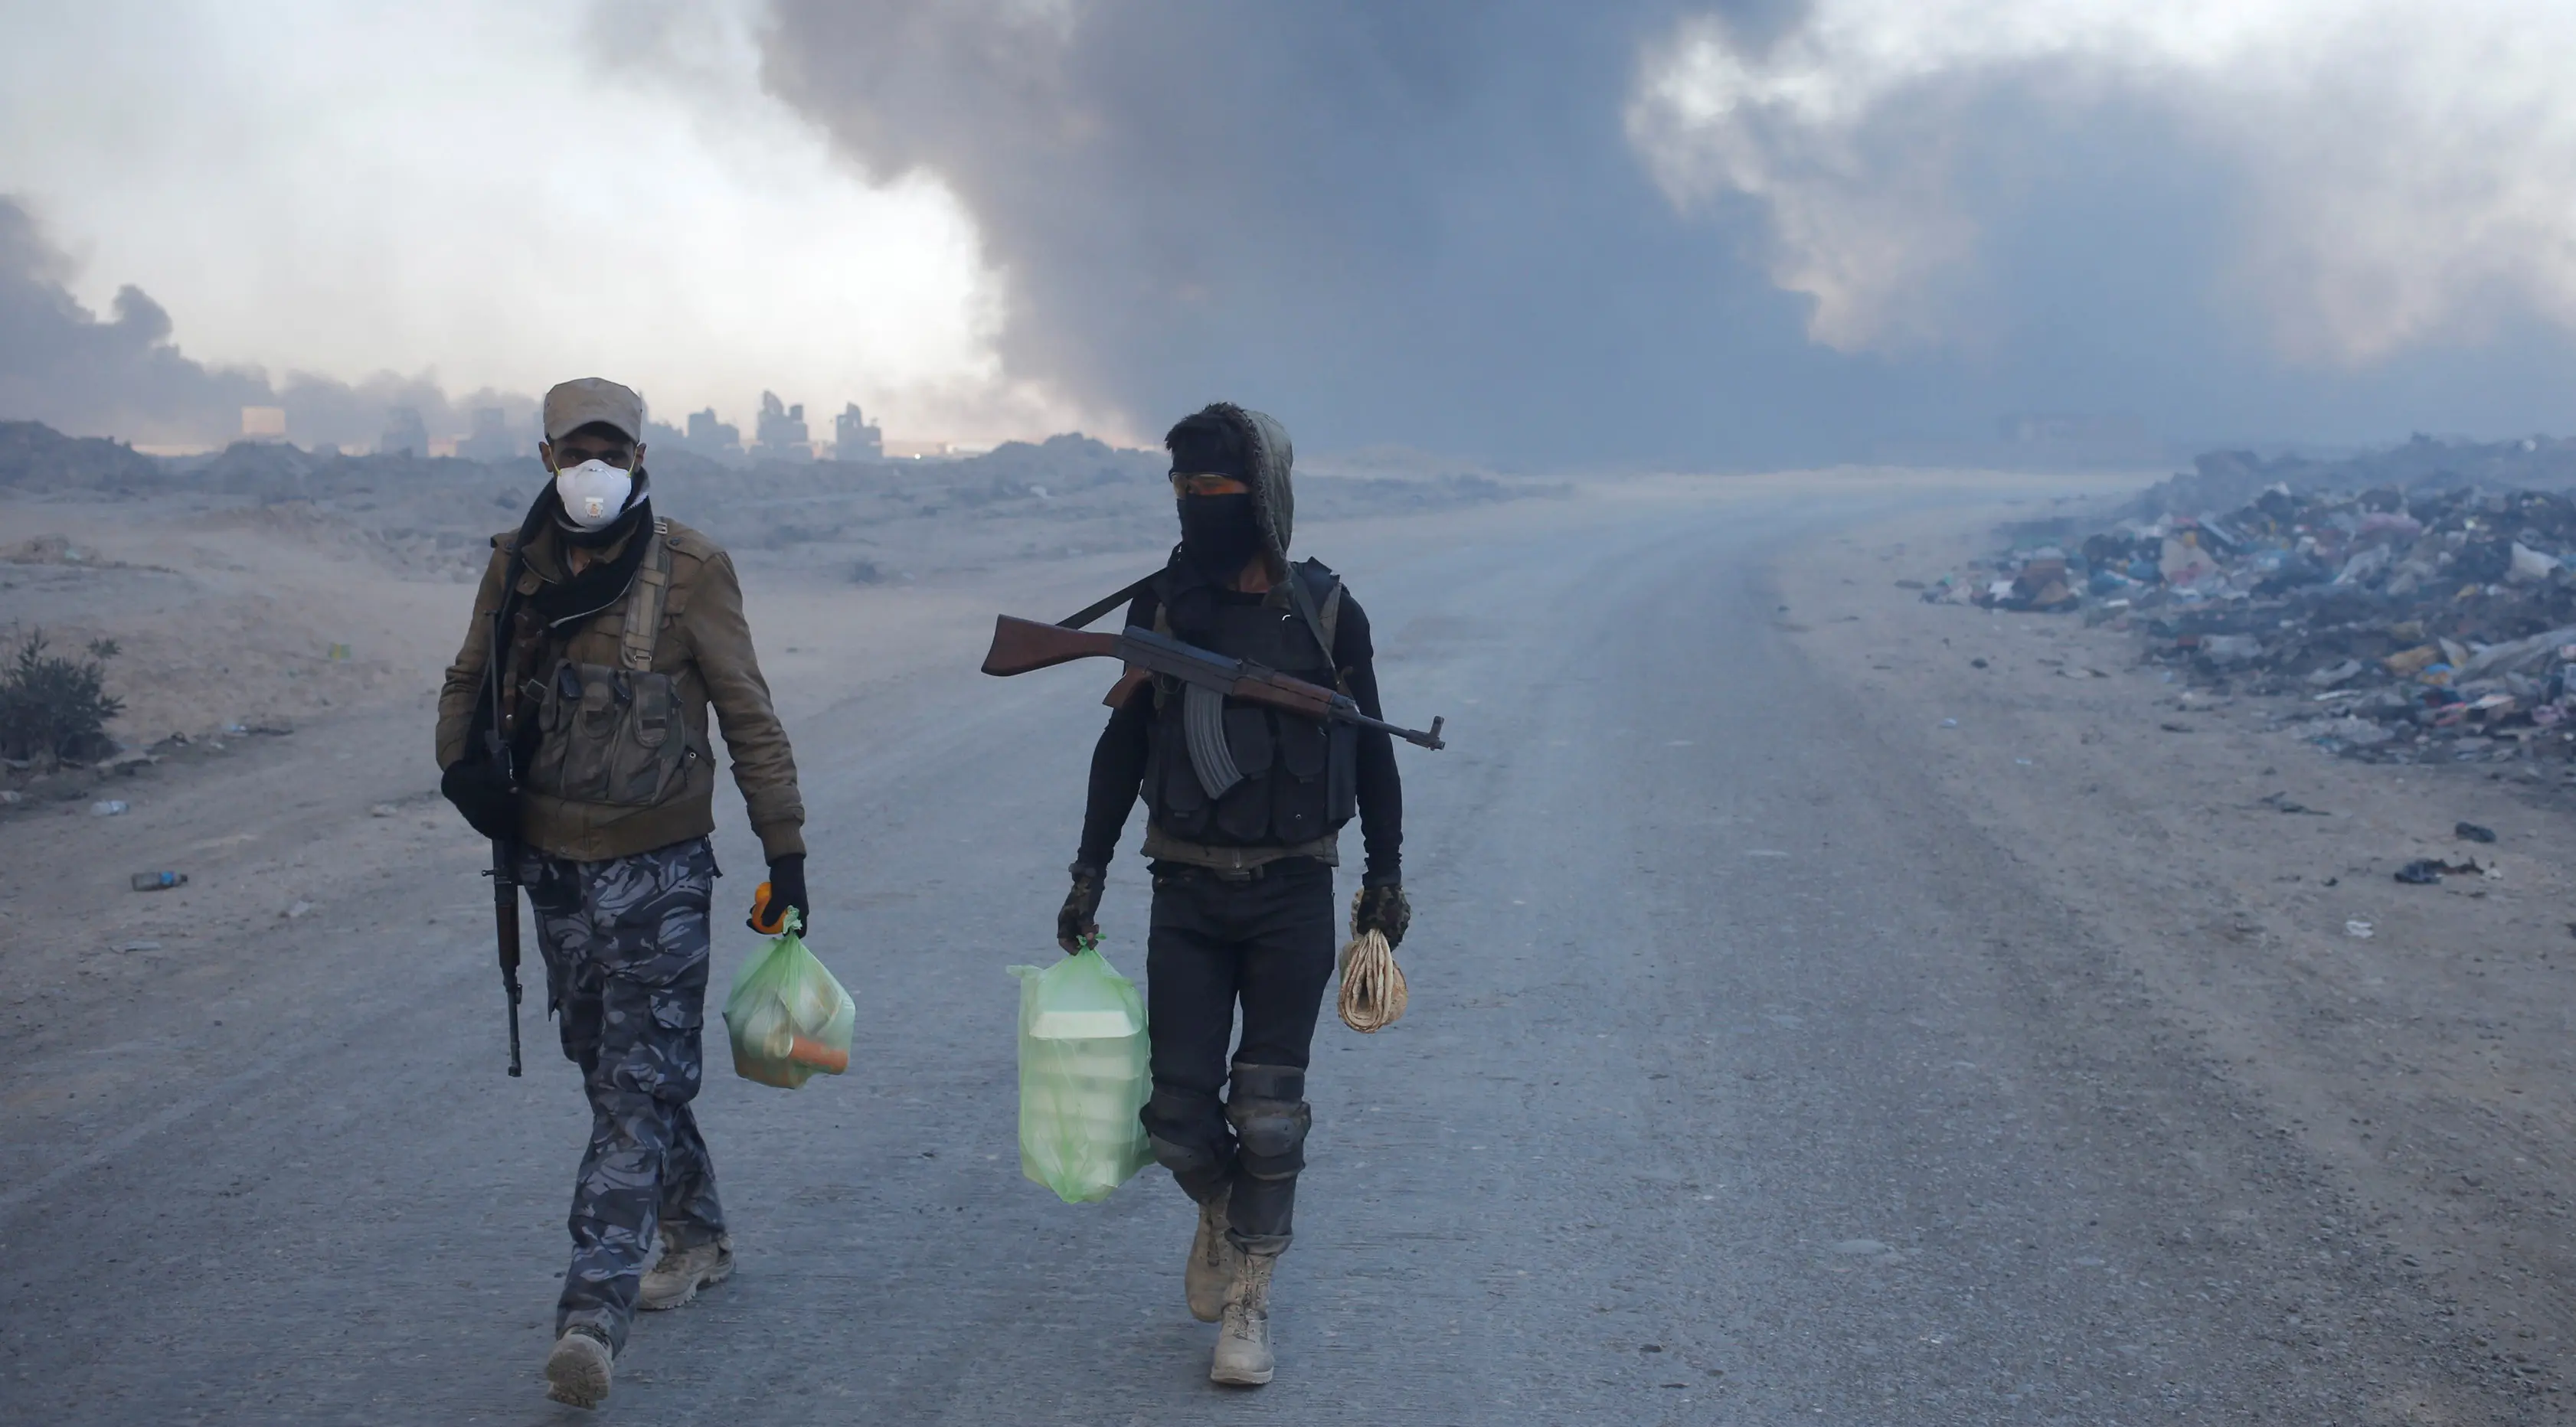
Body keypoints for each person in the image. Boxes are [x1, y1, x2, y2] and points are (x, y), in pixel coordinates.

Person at [434, 377, 812, 1409]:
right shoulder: (517, 568)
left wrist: (788, 854)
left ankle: (590, 1311)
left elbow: (749, 715)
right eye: (574, 450)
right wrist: (461, 770)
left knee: (633, 1086)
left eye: (611, 449)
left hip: (662, 871)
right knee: (607, 1063)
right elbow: (470, 678)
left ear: (642, 456)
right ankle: (697, 1231)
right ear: (546, 456)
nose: (592, 468)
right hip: (552, 864)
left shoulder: (692, 570)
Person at [1058, 402, 1413, 1386]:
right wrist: (1088, 870)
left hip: (1294, 894)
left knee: (1266, 1112)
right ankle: (1224, 1212)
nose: (1193, 505)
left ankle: (1250, 1294)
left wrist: (1384, 875)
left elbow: (1377, 754)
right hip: (1185, 892)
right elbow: (1122, 745)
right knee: (1174, 1117)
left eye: (1212, 488)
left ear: (1261, 496)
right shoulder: (1163, 609)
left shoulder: (1330, 612)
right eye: (1180, 489)